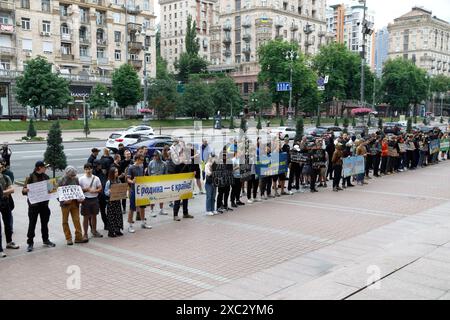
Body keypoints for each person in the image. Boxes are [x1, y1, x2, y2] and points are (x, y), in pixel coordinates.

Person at [22, 161, 56, 252]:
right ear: (39, 168)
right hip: (34, 206)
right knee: (32, 224)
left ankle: (46, 240)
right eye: (45, 167)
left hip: (44, 205)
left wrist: (54, 188)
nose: (46, 168)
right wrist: (26, 189)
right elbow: (23, 191)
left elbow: (51, 190)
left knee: (45, 224)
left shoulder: (46, 177)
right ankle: (30, 243)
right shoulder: (30, 177)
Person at [58, 166, 86, 245]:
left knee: (76, 220)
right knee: (65, 221)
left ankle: (78, 237)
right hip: (65, 204)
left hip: (74, 203)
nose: (73, 177)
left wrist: (80, 198)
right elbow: (57, 194)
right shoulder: (61, 180)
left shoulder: (76, 179)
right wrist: (63, 201)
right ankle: (68, 238)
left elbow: (78, 190)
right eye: (71, 175)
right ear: (66, 173)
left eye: (74, 175)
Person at [127, 154, 152, 232]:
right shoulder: (131, 168)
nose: (142, 161)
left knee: (142, 207)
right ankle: (130, 225)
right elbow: (128, 179)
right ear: (137, 159)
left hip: (141, 190)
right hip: (133, 190)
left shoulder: (141, 167)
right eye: (141, 159)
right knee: (132, 208)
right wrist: (132, 181)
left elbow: (142, 177)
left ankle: (143, 223)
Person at [79, 163, 103, 241]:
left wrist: (94, 191)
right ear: (84, 170)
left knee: (94, 216)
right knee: (86, 217)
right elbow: (78, 190)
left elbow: (100, 188)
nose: (88, 170)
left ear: (92, 169)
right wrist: (86, 189)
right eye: (86, 169)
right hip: (85, 199)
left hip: (94, 199)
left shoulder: (96, 178)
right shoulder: (81, 179)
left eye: (89, 169)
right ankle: (85, 234)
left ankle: (94, 231)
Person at [0, 161, 18, 250]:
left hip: (5, 202)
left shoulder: (6, 177)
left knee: (8, 224)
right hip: (3, 200)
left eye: (1, 166)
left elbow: (12, 190)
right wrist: (5, 191)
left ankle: (9, 242)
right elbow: (8, 190)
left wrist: (2, 192)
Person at [104, 167, 124, 237]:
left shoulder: (118, 180)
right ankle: (111, 232)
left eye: (117, 172)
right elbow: (105, 192)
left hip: (117, 201)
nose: (117, 173)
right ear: (112, 173)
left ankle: (117, 230)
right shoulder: (108, 182)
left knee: (118, 215)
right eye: (115, 172)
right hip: (111, 202)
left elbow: (121, 189)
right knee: (112, 216)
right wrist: (109, 192)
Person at [148, 150, 168, 217]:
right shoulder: (151, 163)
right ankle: (152, 210)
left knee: (161, 196)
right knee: (153, 197)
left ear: (159, 156)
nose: (155, 157)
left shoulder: (164, 163)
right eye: (154, 155)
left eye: (156, 155)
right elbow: (149, 172)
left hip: (161, 182)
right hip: (153, 182)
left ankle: (161, 209)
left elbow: (166, 174)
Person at [93, 160, 108, 230]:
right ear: (96, 165)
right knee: (93, 213)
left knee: (103, 211)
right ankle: (93, 228)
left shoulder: (102, 173)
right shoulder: (93, 174)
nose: (101, 166)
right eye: (99, 165)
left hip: (102, 196)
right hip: (95, 196)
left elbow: (104, 182)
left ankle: (106, 224)